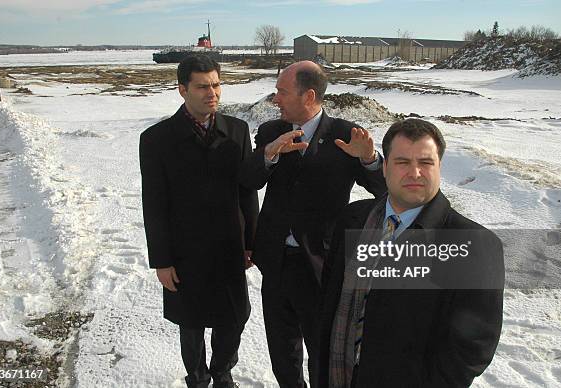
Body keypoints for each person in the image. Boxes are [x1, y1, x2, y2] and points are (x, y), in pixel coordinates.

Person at [319, 118, 505, 387]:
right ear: (384, 167)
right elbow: (329, 301)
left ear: (439, 167)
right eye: (402, 162)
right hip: (338, 374)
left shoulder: (473, 244)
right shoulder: (354, 219)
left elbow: (472, 348)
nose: (415, 173)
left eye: (426, 163)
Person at [239, 60, 387, 388]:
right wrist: (269, 155)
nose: (275, 97)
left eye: (282, 91)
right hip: (275, 262)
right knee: (282, 354)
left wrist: (369, 159)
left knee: (321, 353)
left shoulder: (344, 135)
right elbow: (248, 179)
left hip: (321, 265)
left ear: (308, 96)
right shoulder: (269, 131)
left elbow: (385, 190)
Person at [139, 54, 258, 388]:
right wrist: (161, 261)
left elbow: (247, 190)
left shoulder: (237, 129)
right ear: (182, 90)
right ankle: (197, 376)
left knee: (234, 315)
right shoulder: (156, 139)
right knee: (190, 322)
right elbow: (154, 204)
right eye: (203, 86)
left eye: (217, 84)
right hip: (185, 250)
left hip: (228, 245)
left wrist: (251, 241)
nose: (213, 93)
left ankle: (222, 370)